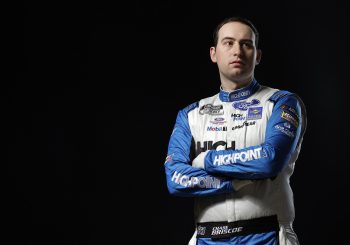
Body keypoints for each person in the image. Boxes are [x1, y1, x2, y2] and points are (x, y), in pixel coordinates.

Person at [164, 16, 307, 245]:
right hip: (207, 238)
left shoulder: (282, 102)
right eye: (228, 43)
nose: (237, 51)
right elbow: (175, 178)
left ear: (257, 55)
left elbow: (270, 160)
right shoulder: (190, 115)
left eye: (246, 44)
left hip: (267, 236)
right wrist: (234, 182)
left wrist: (207, 160)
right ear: (214, 53)